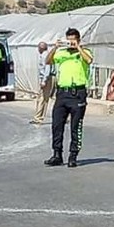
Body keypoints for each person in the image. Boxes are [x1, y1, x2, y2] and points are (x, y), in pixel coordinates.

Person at [44, 28, 93, 168]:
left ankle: (73, 155)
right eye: (68, 40)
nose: (70, 42)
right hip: (62, 93)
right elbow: (48, 61)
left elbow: (89, 60)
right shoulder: (61, 53)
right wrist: (55, 47)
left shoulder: (84, 52)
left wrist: (78, 48)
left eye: (73, 40)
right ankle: (57, 154)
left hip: (77, 93)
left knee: (76, 126)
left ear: (78, 40)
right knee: (57, 124)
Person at [31, 41, 56, 124]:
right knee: (44, 98)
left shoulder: (45, 56)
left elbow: (47, 69)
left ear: (40, 48)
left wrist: (44, 80)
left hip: (47, 78)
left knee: (42, 98)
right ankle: (39, 117)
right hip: (48, 77)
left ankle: (38, 118)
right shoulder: (47, 54)